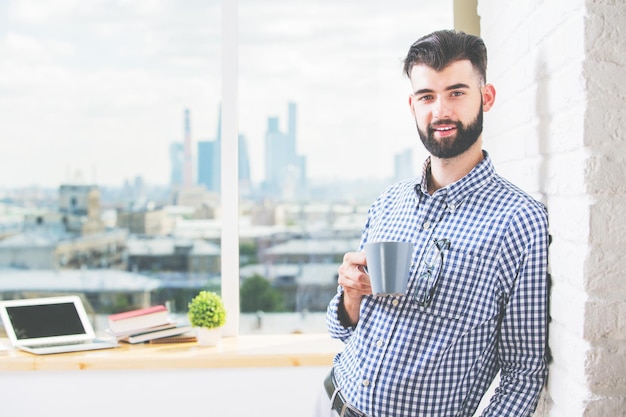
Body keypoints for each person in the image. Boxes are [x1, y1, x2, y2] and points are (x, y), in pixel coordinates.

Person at [322, 30, 549, 417]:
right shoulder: (388, 203)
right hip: (332, 399)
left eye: (456, 92)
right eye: (427, 96)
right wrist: (351, 295)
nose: (441, 111)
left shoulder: (520, 221)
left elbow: (523, 373)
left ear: (486, 97)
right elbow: (344, 330)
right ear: (413, 105)